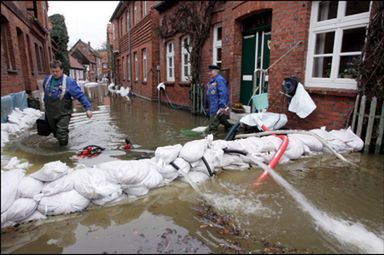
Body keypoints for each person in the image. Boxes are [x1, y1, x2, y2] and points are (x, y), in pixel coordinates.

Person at [43, 60, 93, 146]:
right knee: (56, 133)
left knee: (61, 133)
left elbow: (80, 95)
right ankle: (62, 143)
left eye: (57, 71)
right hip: (50, 113)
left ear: (62, 70)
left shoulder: (69, 82)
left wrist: (88, 108)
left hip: (64, 113)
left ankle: (63, 153)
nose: (55, 73)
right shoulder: (47, 80)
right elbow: (46, 93)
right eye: (53, 71)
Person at [205, 64, 232, 135]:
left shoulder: (219, 80)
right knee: (220, 119)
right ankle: (231, 127)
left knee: (212, 127)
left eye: (211, 71)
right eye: (209, 71)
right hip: (212, 106)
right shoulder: (212, 81)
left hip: (217, 106)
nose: (209, 73)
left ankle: (212, 139)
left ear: (216, 71)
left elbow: (223, 93)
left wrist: (222, 106)